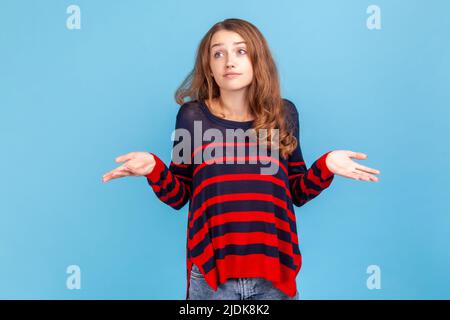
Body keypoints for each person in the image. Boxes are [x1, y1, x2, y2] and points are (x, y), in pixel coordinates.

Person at [102, 18, 380, 300]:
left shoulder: (283, 115)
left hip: (274, 272)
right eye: (218, 53)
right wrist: (154, 168)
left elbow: (296, 191)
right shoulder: (192, 117)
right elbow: (179, 195)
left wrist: (326, 165)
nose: (229, 62)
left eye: (240, 51)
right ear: (209, 67)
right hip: (211, 274)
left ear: (257, 59)